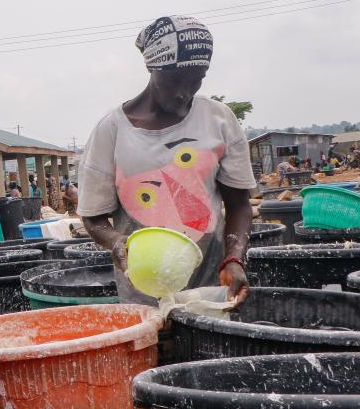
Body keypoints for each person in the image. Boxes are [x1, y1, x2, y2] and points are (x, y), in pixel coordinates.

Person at [78, 15, 254, 307]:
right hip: (141, 291)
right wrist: (115, 241)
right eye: (174, 80)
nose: (184, 91)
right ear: (151, 68)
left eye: (196, 80)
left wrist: (234, 258)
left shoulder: (218, 119)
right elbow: (92, 216)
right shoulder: (112, 130)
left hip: (210, 286)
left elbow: (239, 203)